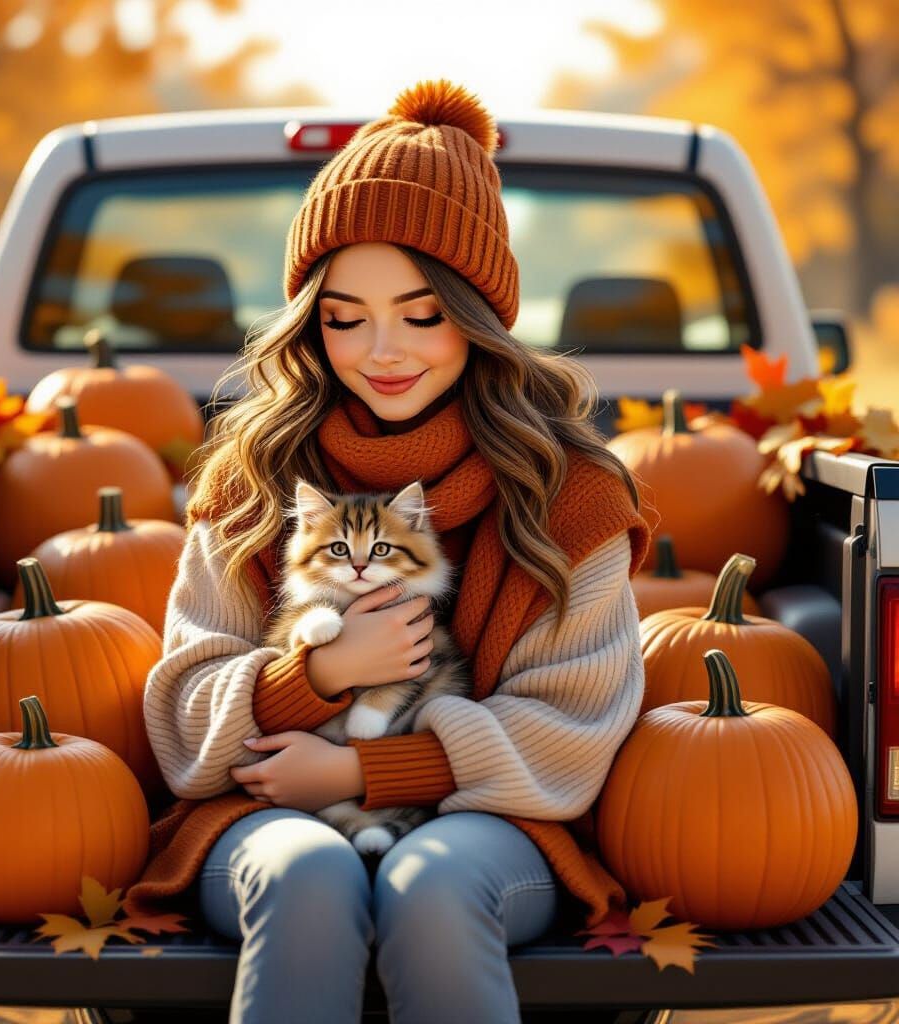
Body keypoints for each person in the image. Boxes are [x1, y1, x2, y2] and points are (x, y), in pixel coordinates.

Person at [123, 79, 653, 1024]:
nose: (382, 351)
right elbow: (183, 714)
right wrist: (317, 675)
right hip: (267, 811)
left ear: (478, 313)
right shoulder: (254, 475)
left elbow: (572, 731)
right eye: (344, 316)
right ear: (310, 319)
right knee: (308, 875)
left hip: (492, 821)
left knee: (433, 886)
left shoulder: (567, 491)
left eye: (422, 313)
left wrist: (367, 773)